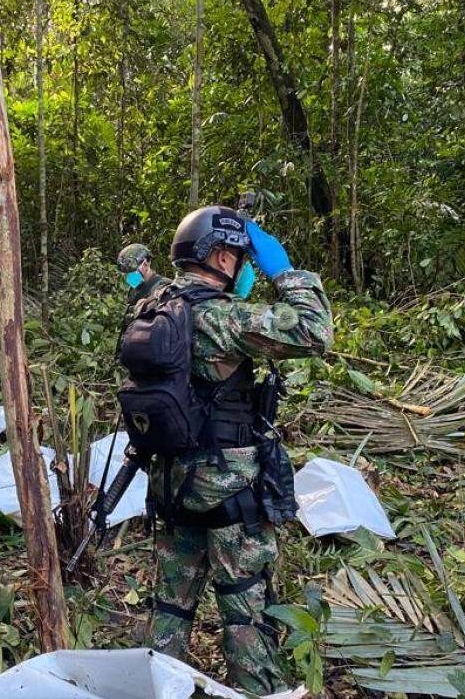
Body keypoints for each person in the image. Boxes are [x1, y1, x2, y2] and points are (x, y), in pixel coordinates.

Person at [144, 207, 332, 694]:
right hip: (229, 489)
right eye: (241, 258)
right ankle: (257, 689)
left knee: (171, 605)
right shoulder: (225, 316)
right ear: (223, 255)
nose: (244, 267)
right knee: (245, 606)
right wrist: (286, 273)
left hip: (171, 482)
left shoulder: (155, 304)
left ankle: (156, 685)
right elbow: (314, 331)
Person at [117, 243, 169, 307]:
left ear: (146, 263)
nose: (129, 275)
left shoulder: (164, 287)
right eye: (126, 272)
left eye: (132, 270)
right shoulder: (134, 289)